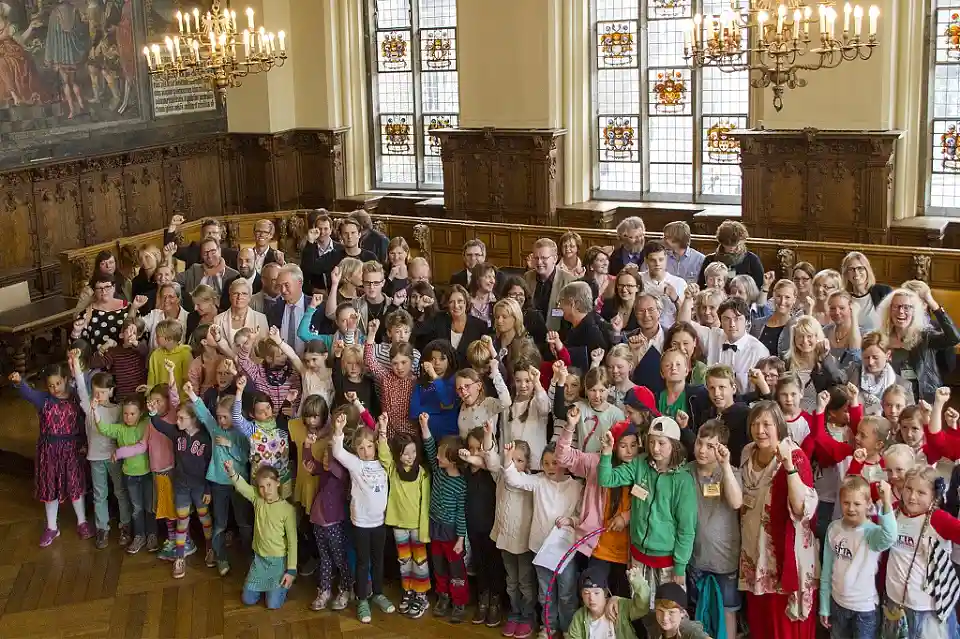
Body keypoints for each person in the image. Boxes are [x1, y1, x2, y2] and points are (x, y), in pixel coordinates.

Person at [596, 415, 697, 637]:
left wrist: (680, 566)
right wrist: (606, 453)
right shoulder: (640, 464)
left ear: (674, 445)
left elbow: (686, 529)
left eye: (661, 443)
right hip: (639, 557)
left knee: (670, 615)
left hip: (667, 562)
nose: (655, 448)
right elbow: (606, 479)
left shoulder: (683, 480)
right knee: (644, 612)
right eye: (651, 442)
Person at [738, 401, 818, 639]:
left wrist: (789, 467)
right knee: (760, 622)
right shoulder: (747, 452)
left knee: (782, 626)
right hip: (753, 553)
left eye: (767, 424)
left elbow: (802, 509)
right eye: (755, 424)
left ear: (779, 426)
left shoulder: (795, 456)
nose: (760, 430)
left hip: (783, 556)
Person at [503, 440, 583, 637]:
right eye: (546, 463)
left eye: (555, 462)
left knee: (566, 592)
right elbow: (513, 479)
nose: (550, 467)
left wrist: (571, 520)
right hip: (540, 548)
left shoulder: (576, 487)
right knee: (545, 592)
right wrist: (508, 457)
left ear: (565, 463)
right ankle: (548, 626)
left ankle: (568, 628)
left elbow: (582, 515)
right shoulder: (539, 481)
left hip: (565, 550)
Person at [11, 365, 92, 547]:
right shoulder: (44, 399)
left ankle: (82, 522)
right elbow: (28, 394)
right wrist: (19, 382)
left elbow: (83, 422)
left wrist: (84, 443)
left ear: (65, 380)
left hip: (72, 449)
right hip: (49, 451)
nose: (55, 388)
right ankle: (52, 527)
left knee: (75, 486)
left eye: (58, 383)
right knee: (50, 488)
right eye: (50, 385)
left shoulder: (75, 398)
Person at [330, 411, 395, 623]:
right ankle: (362, 599)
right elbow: (338, 452)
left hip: (380, 523)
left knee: (378, 561)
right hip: (361, 524)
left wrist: (382, 429)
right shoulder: (356, 465)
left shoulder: (383, 463)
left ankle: (378, 593)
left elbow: (384, 448)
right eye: (361, 448)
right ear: (356, 451)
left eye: (369, 446)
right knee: (362, 562)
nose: (366, 451)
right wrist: (338, 431)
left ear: (375, 446)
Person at [147, 390, 214, 579]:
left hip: (200, 487)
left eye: (182, 418)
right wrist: (152, 413)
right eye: (177, 418)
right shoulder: (177, 433)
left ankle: (210, 548)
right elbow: (159, 425)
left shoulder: (206, 438)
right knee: (182, 520)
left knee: (204, 518)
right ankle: (179, 556)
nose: (177, 421)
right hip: (181, 486)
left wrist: (208, 489)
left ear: (194, 419)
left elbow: (211, 465)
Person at [819, 476, 897, 639]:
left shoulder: (872, 533)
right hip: (837, 604)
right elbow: (826, 570)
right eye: (846, 503)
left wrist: (886, 501)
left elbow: (890, 536)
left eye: (857, 504)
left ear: (868, 504)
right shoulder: (833, 528)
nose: (851, 508)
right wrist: (824, 607)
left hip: (864, 609)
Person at [687, 421, 742, 639]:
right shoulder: (686, 471)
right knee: (698, 611)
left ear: (721, 448)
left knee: (727, 610)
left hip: (724, 559)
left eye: (710, 446)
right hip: (695, 557)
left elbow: (736, 502)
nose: (702, 450)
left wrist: (725, 465)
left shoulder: (731, 472)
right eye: (699, 443)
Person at [376, 419, 431, 618]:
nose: (410, 457)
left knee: (420, 561)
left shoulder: (422, 473)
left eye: (413, 452)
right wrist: (383, 430)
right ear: (398, 454)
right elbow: (383, 454)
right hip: (399, 525)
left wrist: (424, 530)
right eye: (406, 453)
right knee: (404, 561)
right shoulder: (393, 470)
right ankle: (408, 590)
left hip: (417, 527)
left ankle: (421, 594)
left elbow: (425, 504)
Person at [418, 413, 470, 623]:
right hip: (435, 527)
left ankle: (459, 602)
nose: (437, 458)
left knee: (456, 569)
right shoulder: (438, 471)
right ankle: (443, 596)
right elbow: (430, 447)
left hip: (451, 532)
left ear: (453, 460)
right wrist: (424, 426)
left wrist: (460, 539)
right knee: (438, 566)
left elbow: (461, 513)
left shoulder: (461, 484)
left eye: (442, 455)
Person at [225, 460, 297, 610]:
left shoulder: (287, 510)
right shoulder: (258, 499)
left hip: (278, 562)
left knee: (273, 605)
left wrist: (291, 570)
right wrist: (231, 471)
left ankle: (282, 587)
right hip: (259, 559)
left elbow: (292, 542)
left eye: (269, 485)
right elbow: (242, 486)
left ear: (277, 483)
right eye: (262, 487)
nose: (266, 490)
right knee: (247, 599)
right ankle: (267, 588)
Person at [876, 287, 960, 402]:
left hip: (922, 398)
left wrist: (933, 304)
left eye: (906, 307)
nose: (901, 311)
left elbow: (954, 338)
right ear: (889, 310)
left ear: (914, 311)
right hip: (891, 400)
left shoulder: (925, 336)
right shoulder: (880, 338)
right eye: (896, 306)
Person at [566, 566, 652, 639]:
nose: (591, 598)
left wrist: (638, 583)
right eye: (586, 593)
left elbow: (642, 607)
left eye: (596, 593)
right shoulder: (579, 617)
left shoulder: (619, 606)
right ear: (581, 595)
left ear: (605, 592)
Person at [524, 238, 578, 331]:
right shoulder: (527, 277)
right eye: (536, 258)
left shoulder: (569, 281)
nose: (539, 262)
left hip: (558, 334)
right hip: (529, 334)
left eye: (544, 258)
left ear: (555, 259)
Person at [176, 238, 240, 312]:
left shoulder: (234, 275)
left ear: (219, 251)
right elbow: (173, 282)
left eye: (213, 251)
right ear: (201, 255)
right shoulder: (194, 269)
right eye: (205, 253)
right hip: (196, 314)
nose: (209, 256)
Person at [697, 220, 764, 290]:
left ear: (741, 241)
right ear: (721, 242)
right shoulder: (710, 260)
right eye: (727, 244)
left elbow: (758, 286)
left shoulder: (752, 259)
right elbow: (701, 285)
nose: (732, 248)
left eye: (735, 244)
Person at [72, 273, 130, 351]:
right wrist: (76, 332)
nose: (104, 291)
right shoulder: (87, 313)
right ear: (94, 291)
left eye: (107, 287)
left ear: (114, 287)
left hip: (123, 357)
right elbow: (77, 347)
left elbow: (140, 338)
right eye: (99, 288)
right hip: (96, 357)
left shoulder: (128, 308)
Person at [841, 251, 892, 332]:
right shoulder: (843, 298)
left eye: (860, 268)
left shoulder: (883, 292)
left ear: (867, 270)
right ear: (846, 274)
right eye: (851, 269)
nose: (856, 273)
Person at [164, 216, 239, 269]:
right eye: (208, 233)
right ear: (202, 236)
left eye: (214, 233)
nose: (211, 235)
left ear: (220, 236)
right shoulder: (193, 250)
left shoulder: (232, 255)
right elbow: (170, 248)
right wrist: (172, 225)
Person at [214, 278, 269, 343]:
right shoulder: (218, 320)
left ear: (250, 297)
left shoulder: (261, 319)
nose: (239, 297)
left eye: (244, 293)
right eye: (235, 293)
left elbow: (264, 346)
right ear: (230, 296)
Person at [663, 220, 705, 285]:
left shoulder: (700, 259)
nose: (663, 240)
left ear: (677, 239)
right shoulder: (662, 257)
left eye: (666, 237)